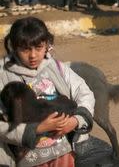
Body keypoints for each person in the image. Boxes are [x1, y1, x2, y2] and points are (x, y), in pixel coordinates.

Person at [0, 17, 95, 167]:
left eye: (38, 48)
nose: (33, 55)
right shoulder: (3, 75)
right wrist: (37, 129)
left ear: (47, 45)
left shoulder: (55, 67)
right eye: (25, 49)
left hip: (63, 154)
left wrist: (75, 121)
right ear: (13, 46)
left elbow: (84, 93)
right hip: (28, 160)